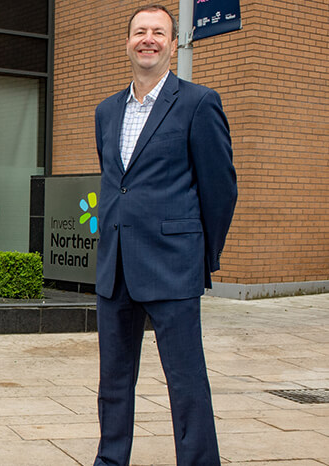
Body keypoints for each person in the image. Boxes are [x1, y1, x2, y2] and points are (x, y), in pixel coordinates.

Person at [93, 5, 237, 465]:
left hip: (173, 265)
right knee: (113, 382)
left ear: (173, 44)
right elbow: (118, 183)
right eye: (140, 32)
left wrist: (199, 255)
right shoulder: (106, 110)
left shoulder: (199, 102)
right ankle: (111, 459)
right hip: (116, 268)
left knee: (186, 381)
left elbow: (220, 189)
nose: (148, 39)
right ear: (128, 42)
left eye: (159, 32)